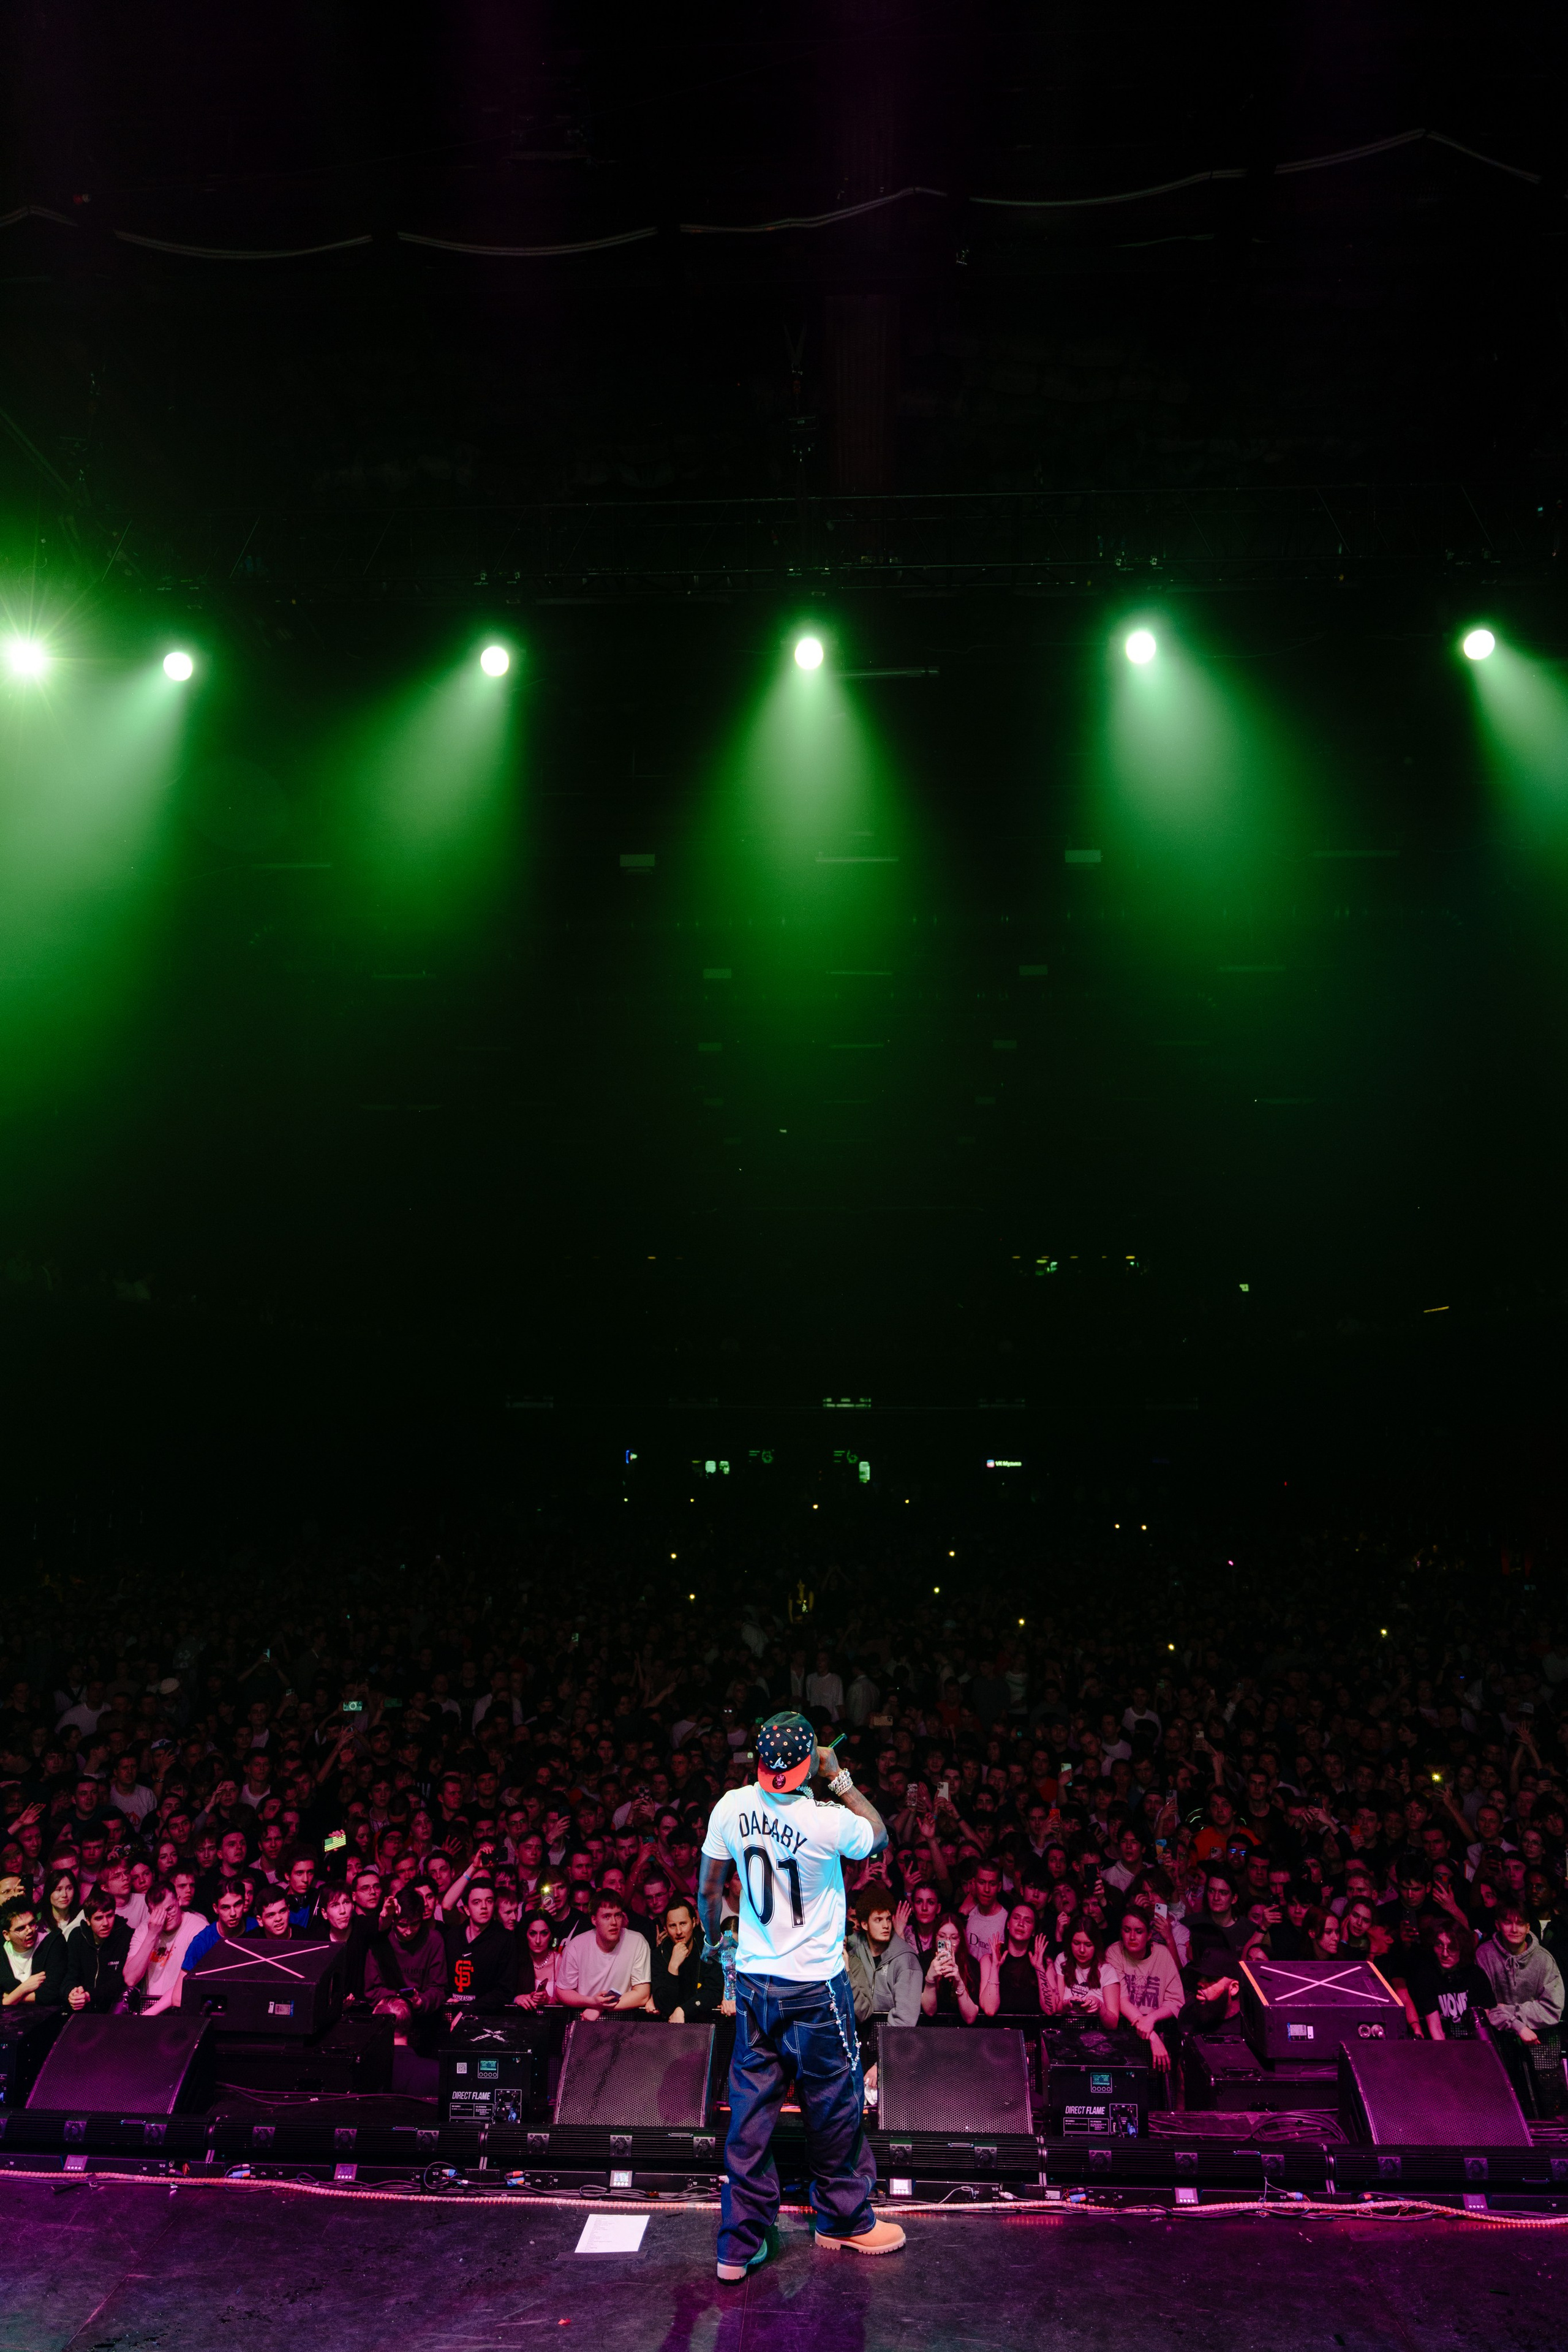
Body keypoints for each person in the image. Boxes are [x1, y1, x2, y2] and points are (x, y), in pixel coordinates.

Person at [698, 1709, 905, 2280]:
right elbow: (880, 1834)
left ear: (759, 1762)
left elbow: (710, 1888)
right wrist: (839, 1776)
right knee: (834, 2103)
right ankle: (843, 2221)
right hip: (815, 1987)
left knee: (751, 2110)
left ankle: (737, 2245)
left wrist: (717, 1943)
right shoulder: (827, 1821)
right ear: (808, 1762)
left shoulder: (730, 1807)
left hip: (757, 1984)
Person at [1477, 1901, 1565, 2116]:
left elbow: (1553, 2008)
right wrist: (1515, 2024)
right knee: (1499, 2108)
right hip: (1497, 2042)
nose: (1514, 1929)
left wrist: (1509, 2011)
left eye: (1520, 1923)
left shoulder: (1544, 1960)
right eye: (1508, 1922)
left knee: (1544, 2109)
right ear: (1498, 1924)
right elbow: (1485, 2008)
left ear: (1528, 1927)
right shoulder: (1485, 1955)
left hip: (1538, 2041)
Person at [555, 1887, 652, 2019]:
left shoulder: (637, 1942)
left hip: (623, 2023)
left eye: (617, 1915)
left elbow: (642, 1995)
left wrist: (600, 2008)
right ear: (594, 1920)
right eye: (607, 1916)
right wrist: (592, 2003)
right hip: (585, 2019)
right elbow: (562, 1991)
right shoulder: (577, 1945)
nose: (614, 1923)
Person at [1106, 1907, 1183, 2073]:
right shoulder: (1114, 1952)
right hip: (1124, 2031)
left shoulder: (1162, 1954)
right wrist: (1152, 2036)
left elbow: (1175, 2001)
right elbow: (1120, 1999)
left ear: (1149, 1935)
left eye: (1139, 1931)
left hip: (1159, 2028)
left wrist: (1152, 2020)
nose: (1132, 1937)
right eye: (1127, 1931)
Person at [364, 1888, 450, 2029]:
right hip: (387, 2019)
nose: (409, 1931)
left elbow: (439, 1988)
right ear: (393, 1921)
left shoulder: (434, 1940)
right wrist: (400, 1999)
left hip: (424, 2021)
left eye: (415, 1924)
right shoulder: (381, 1940)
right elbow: (372, 1990)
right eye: (403, 1925)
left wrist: (420, 2001)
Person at [844, 1883, 924, 2029]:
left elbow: (905, 2021)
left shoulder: (906, 1960)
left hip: (893, 2041)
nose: (886, 1925)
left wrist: (884, 2045)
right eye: (878, 1920)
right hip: (861, 2040)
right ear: (864, 1925)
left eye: (888, 1919)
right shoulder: (857, 1949)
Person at [124, 1883, 206, 2013]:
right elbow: (130, 1978)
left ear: (179, 1901)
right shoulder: (144, 1929)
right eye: (159, 1913)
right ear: (150, 1912)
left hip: (181, 2008)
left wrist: (152, 2013)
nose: (166, 1917)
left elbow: (191, 1982)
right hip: (148, 2004)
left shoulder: (198, 1928)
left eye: (170, 1909)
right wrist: (152, 1934)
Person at [443, 1874, 519, 2015]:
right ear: (466, 1909)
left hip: (488, 2018)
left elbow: (505, 1990)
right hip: (451, 2014)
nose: (484, 1907)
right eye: (477, 1902)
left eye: (489, 1901)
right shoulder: (452, 1937)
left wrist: (469, 2010)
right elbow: (442, 1980)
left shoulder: (504, 1939)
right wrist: (446, 2001)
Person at [1409, 1920, 1493, 2040]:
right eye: (1439, 1945)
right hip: (1442, 2047)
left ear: (1462, 1948)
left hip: (1473, 2046)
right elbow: (1436, 2028)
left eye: (1452, 1947)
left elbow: (1481, 2031)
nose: (1444, 1953)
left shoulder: (1476, 1976)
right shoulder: (1427, 1975)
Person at [650, 1896, 727, 2022]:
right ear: (666, 1928)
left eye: (683, 1924)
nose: (679, 1931)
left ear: (694, 1922)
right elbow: (663, 2005)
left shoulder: (708, 1948)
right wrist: (673, 1967)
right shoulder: (659, 1955)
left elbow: (714, 1992)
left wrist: (684, 2010)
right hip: (670, 2025)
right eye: (672, 1926)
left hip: (706, 2022)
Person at [64, 1888, 134, 2012]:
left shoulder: (125, 1934)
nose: (106, 1923)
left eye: (110, 1916)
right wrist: (72, 1993)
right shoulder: (77, 1936)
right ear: (88, 1921)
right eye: (98, 1918)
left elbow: (121, 1981)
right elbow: (70, 1975)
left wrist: (90, 1996)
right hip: (83, 2009)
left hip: (115, 2010)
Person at [1047, 1924, 1120, 2028]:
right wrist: (1067, 2004)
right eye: (1076, 1943)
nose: (1082, 1950)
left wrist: (1100, 2007)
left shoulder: (1107, 1971)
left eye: (1088, 1945)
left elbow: (1113, 2024)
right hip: (1067, 2031)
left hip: (1096, 2033)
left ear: (1096, 1946)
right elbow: (1057, 2008)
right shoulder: (1063, 1960)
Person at [920, 1913, 987, 2022]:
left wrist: (959, 1982)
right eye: (942, 1936)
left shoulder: (971, 1964)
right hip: (932, 2030)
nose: (948, 1942)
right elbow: (930, 2011)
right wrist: (930, 1979)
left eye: (954, 1938)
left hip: (962, 2032)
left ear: (960, 1939)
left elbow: (970, 2018)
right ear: (935, 1937)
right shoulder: (924, 1960)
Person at [0, 1898, 51, 2006]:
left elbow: (51, 1995)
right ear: (6, 1935)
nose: (29, 1931)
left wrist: (9, 1998)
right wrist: (23, 1988)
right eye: (20, 1929)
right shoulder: (2, 1955)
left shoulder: (51, 1943)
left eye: (32, 1923)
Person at [514, 1912, 562, 2010]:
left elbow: (567, 2002)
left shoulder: (559, 1961)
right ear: (526, 1934)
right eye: (533, 1933)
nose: (538, 1940)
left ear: (551, 1936)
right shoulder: (517, 1959)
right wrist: (517, 1999)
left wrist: (548, 2000)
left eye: (544, 1933)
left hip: (553, 2022)